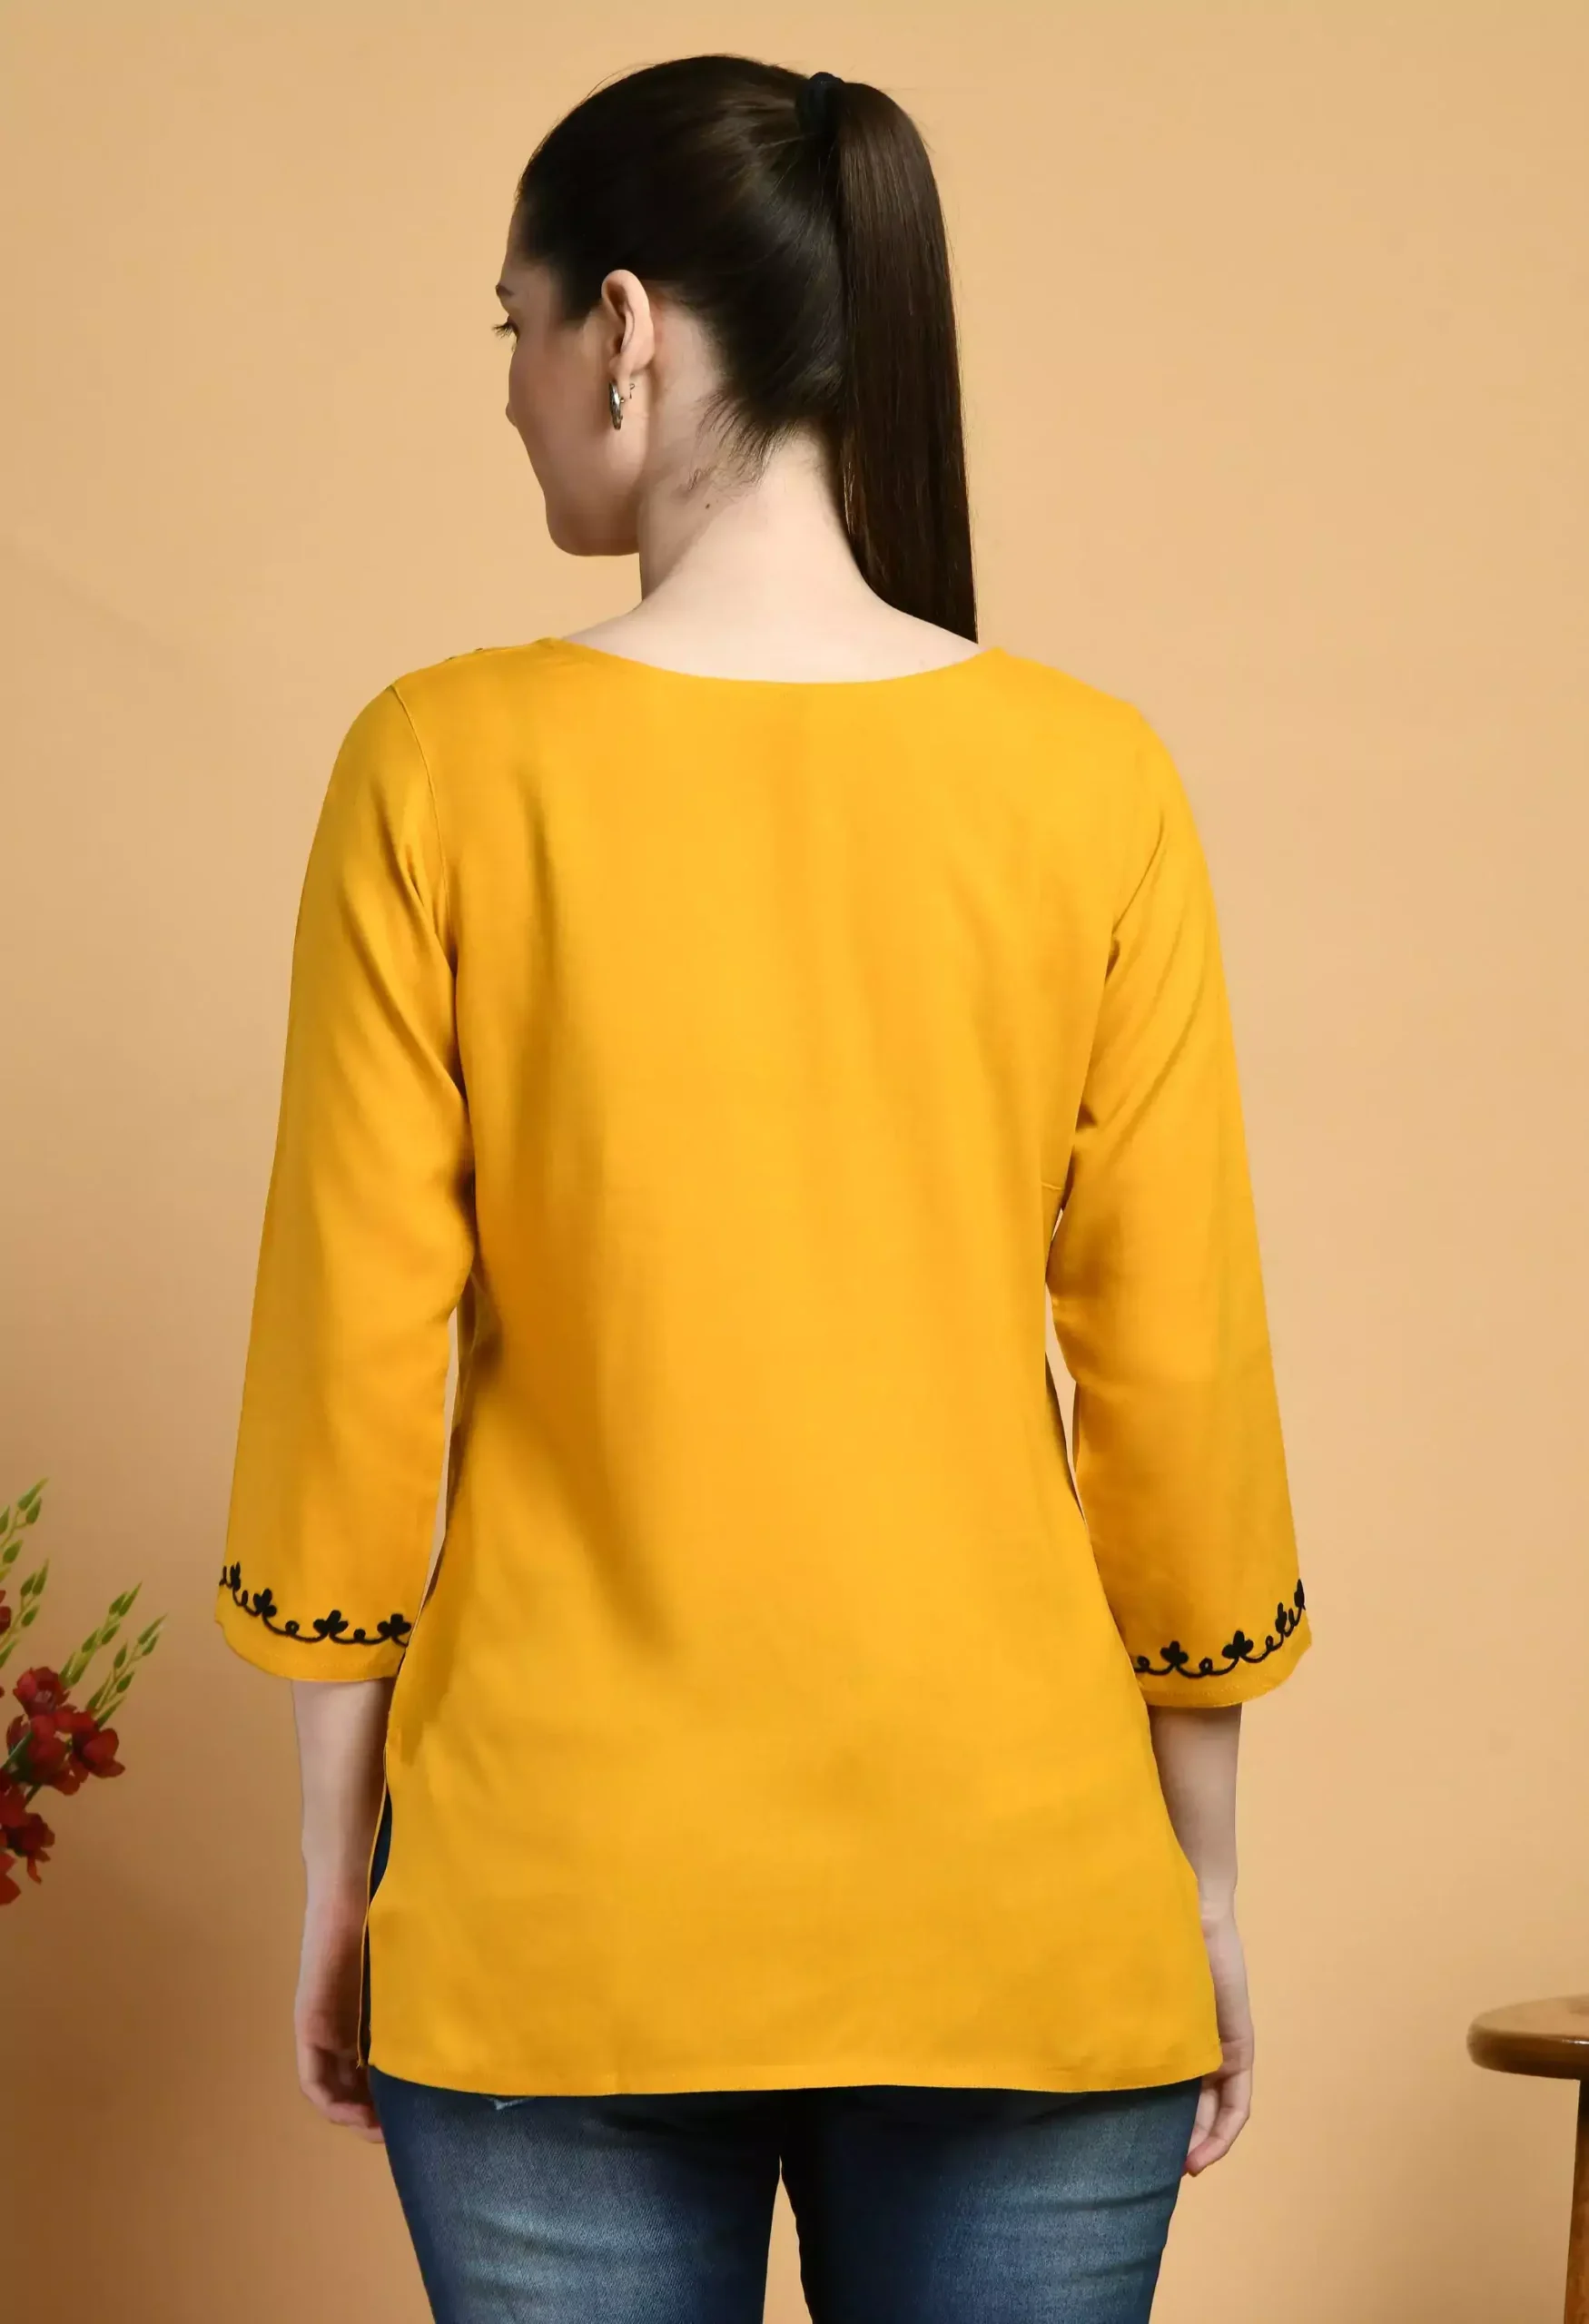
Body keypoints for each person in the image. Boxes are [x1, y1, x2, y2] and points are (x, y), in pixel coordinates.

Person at [213, 50, 1311, 2324]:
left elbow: (350, 1366)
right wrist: (1196, 1876)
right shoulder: (1089, 782)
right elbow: (1174, 1378)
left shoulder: (436, 767)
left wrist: (337, 1866)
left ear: (622, 327)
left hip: (552, 1916)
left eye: (513, 325)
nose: (507, 389)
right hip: (1022, 1915)